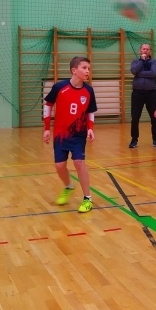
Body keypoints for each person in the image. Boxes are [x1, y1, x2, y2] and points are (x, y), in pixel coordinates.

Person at [44, 56, 97, 213]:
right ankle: (68, 186)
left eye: (88, 68)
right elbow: (48, 105)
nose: (87, 71)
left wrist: (90, 128)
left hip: (78, 134)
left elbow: (90, 111)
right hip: (60, 133)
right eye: (84, 68)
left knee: (79, 162)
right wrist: (46, 128)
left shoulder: (88, 90)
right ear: (74, 70)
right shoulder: (59, 87)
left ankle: (88, 198)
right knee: (59, 166)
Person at [129, 42, 156, 149]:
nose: (145, 50)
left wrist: (139, 73)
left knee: (154, 117)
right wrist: (141, 62)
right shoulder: (135, 61)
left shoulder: (154, 62)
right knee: (135, 117)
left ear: (150, 51)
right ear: (140, 51)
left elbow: (153, 73)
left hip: (151, 93)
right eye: (143, 49)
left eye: (147, 49)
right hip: (137, 93)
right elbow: (134, 71)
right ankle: (134, 139)